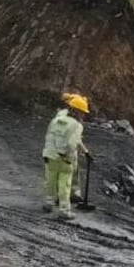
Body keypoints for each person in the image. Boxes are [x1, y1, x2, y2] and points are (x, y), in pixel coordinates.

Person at [41, 92, 91, 221]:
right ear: (78, 111)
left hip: (50, 154)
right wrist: (67, 154)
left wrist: (49, 151)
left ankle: (49, 203)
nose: (84, 115)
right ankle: (64, 210)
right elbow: (71, 143)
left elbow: (49, 136)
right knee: (65, 185)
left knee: (50, 181)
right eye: (82, 112)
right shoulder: (77, 125)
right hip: (64, 160)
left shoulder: (57, 119)